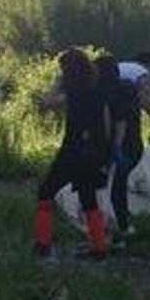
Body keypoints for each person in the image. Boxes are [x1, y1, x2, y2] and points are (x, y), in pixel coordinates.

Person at [33, 48, 111, 259]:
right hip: (94, 152)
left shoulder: (72, 92)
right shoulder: (97, 92)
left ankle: (42, 244)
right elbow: (106, 124)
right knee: (88, 198)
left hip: (72, 151)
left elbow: (48, 102)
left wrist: (57, 83)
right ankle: (99, 247)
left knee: (45, 193)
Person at [94, 54, 142, 242]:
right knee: (116, 188)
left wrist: (114, 149)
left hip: (122, 147)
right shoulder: (128, 86)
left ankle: (121, 228)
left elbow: (120, 122)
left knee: (115, 190)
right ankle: (119, 225)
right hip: (135, 145)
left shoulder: (109, 91)